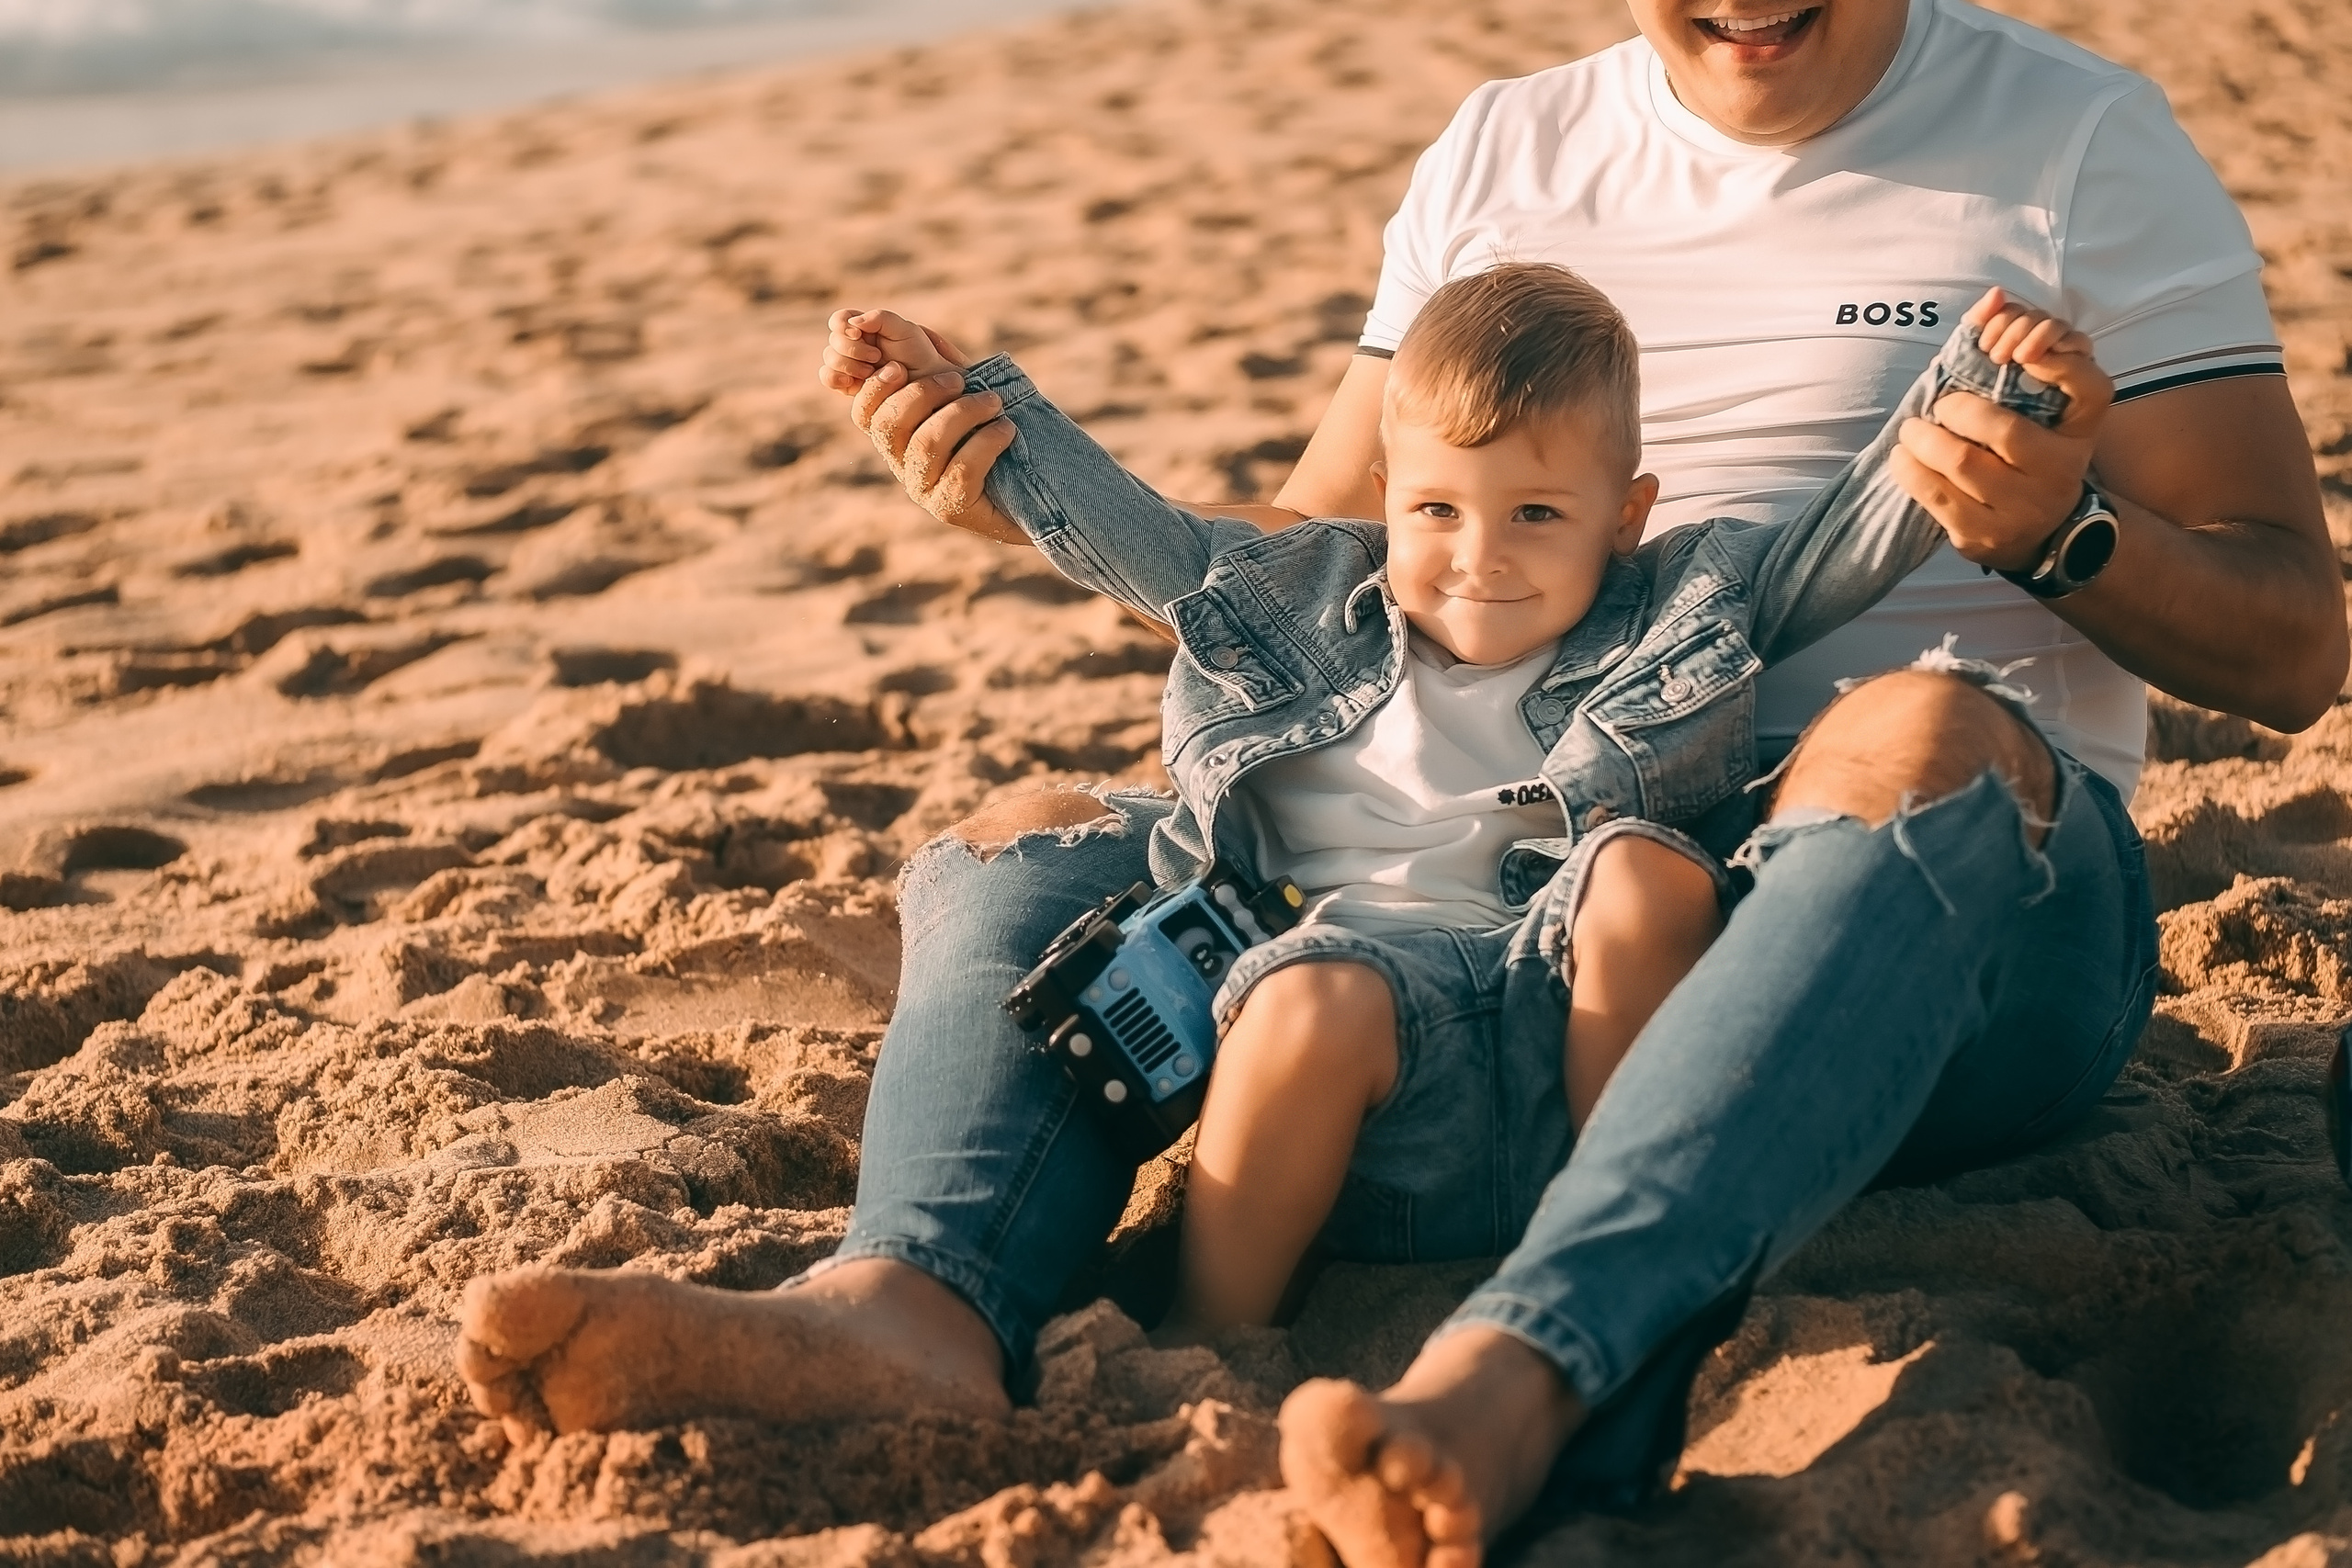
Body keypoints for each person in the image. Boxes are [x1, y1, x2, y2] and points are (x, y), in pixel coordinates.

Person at [456, 2, 2346, 1563]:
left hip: (1930, 903)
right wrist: (1014, 489)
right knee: (1038, 836)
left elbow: (2287, 642)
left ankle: (1539, 1367)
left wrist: (2064, 533)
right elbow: (1314, 577)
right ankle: (918, 1307)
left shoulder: (2073, 140)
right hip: (1498, 887)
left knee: (1905, 726)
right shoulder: (1506, 151)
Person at [820, 266, 2105, 1348]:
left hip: (1571, 1040)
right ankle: (1212, 1337)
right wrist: (970, 399)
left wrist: (1984, 393)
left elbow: (1858, 527)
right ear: (1385, 498)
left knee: (1644, 877)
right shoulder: (1297, 599)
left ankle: (1624, 1269)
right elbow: (1129, 528)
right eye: (1435, 509)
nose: (1479, 556)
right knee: (1309, 991)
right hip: (1365, 1090)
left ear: (1627, 515)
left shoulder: (1689, 599)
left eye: (1537, 514)